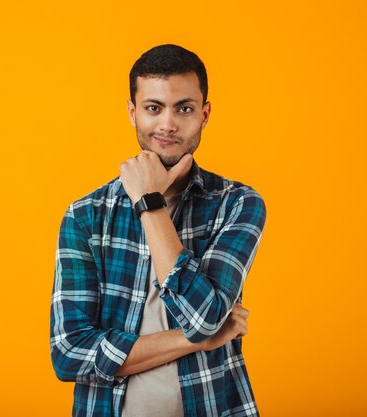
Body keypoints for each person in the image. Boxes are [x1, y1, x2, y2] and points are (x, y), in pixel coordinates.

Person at [50, 44, 266, 417]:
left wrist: (149, 203)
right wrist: (195, 340)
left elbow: (202, 316)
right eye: (153, 108)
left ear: (205, 113)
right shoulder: (86, 215)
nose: (167, 123)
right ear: (133, 113)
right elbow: (68, 354)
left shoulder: (237, 204)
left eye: (184, 108)